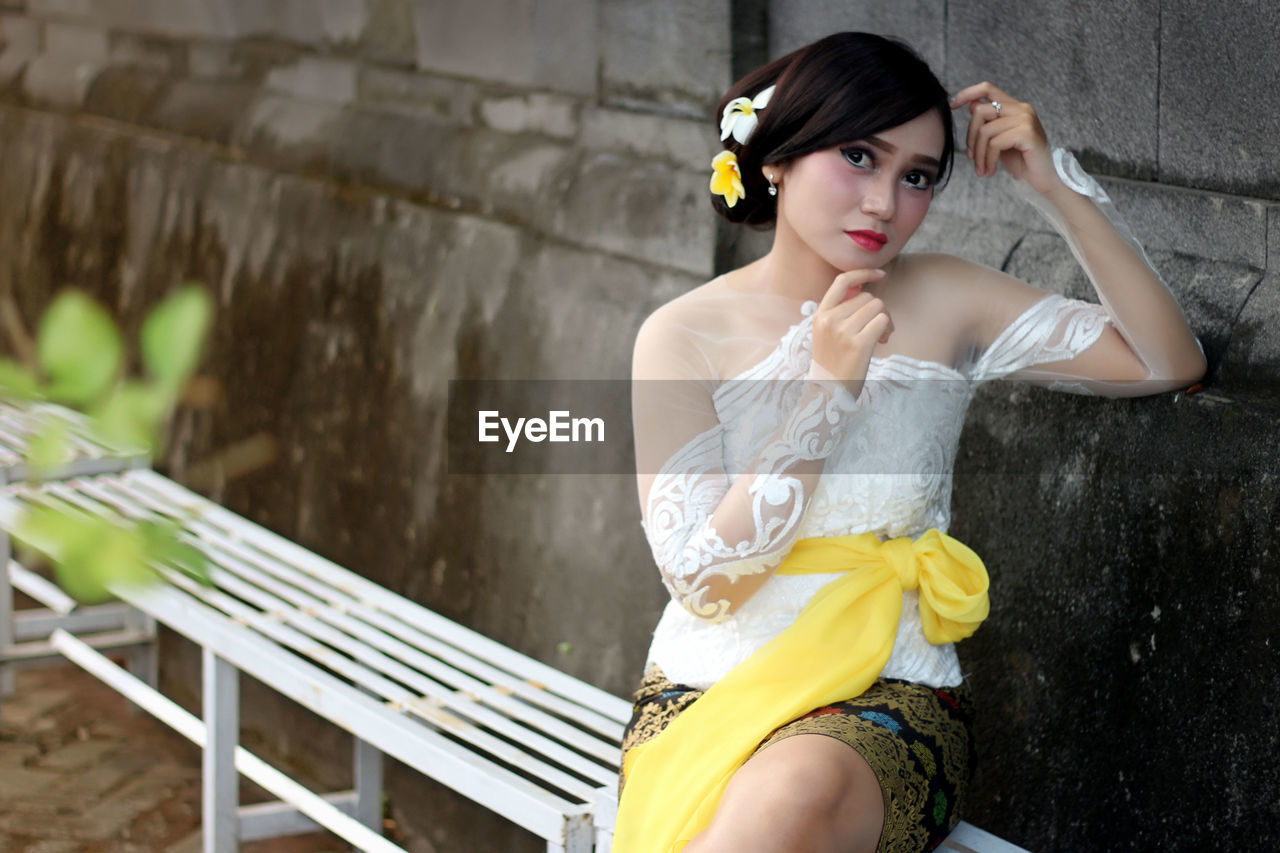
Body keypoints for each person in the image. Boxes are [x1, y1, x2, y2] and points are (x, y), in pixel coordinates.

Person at [613, 31, 1205, 853]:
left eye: (917, 176)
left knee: (793, 793)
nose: (885, 203)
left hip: (895, 697)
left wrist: (1055, 188)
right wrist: (825, 394)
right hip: (708, 689)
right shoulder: (682, 335)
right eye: (859, 156)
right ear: (777, 158)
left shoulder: (947, 296)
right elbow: (707, 586)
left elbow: (1166, 359)